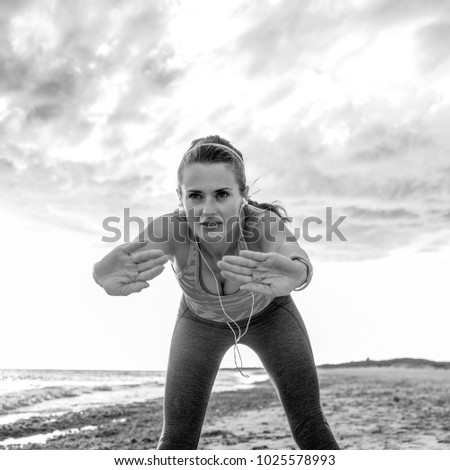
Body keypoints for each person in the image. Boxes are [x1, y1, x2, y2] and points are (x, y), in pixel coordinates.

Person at [92, 135, 340, 450]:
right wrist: (100, 274)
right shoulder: (171, 228)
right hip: (199, 325)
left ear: (243, 195)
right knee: (176, 439)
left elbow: (292, 252)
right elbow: (127, 259)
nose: (207, 209)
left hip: (271, 317)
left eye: (222, 194)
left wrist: (300, 272)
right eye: (195, 195)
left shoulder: (262, 224)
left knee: (311, 427)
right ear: (180, 197)